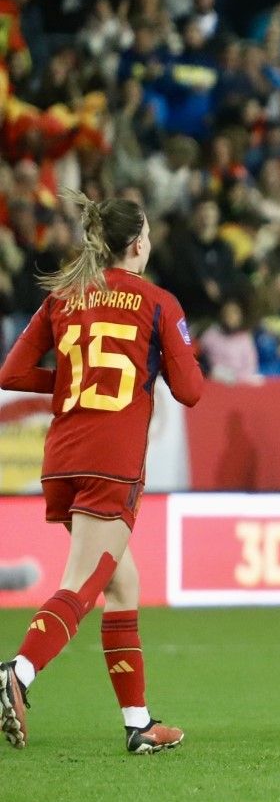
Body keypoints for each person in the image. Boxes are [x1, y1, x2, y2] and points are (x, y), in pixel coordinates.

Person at [0, 193, 206, 756]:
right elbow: (191, 392)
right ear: (139, 243)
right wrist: (154, 365)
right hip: (110, 460)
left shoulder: (66, 296)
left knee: (123, 583)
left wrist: (71, 381)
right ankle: (17, 671)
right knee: (85, 582)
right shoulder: (158, 301)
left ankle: (138, 724)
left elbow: (13, 372)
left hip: (62, 457)